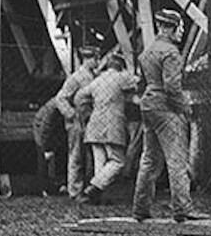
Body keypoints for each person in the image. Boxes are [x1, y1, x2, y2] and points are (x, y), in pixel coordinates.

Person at [132, 9, 200, 222]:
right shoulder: (171, 53)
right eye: (180, 28)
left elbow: (141, 84)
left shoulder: (148, 52)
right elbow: (172, 87)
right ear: (171, 29)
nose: (182, 32)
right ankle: (182, 208)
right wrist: (185, 108)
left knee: (149, 159)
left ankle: (140, 208)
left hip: (148, 106)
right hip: (166, 108)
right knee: (177, 159)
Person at [75, 51, 138, 205]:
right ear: (120, 66)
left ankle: (98, 197)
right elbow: (137, 82)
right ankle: (94, 187)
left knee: (100, 163)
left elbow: (79, 96)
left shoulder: (97, 80)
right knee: (118, 161)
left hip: (94, 123)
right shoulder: (121, 77)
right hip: (112, 123)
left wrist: (86, 112)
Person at [55, 46, 102, 199]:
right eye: (95, 58)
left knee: (88, 156)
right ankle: (75, 190)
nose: (98, 61)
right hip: (77, 122)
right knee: (77, 156)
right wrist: (71, 114)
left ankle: (86, 188)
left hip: (90, 120)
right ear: (87, 59)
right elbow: (61, 98)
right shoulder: (76, 78)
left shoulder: (94, 76)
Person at [30, 96, 67, 196]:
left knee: (60, 153)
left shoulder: (61, 101)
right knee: (43, 157)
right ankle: (43, 188)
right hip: (42, 129)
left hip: (55, 130)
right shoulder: (53, 108)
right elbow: (45, 127)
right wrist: (46, 147)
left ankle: (58, 184)